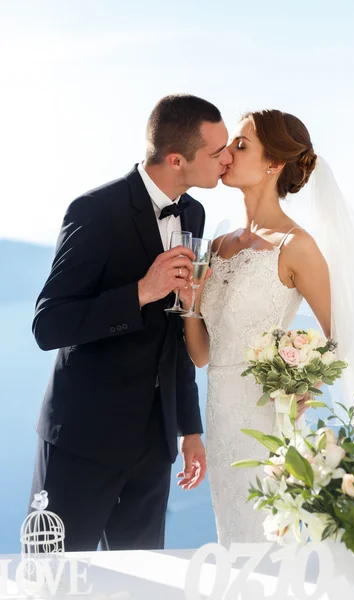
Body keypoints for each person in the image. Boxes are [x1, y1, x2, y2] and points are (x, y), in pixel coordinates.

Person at [29, 93, 232, 551]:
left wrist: (189, 429)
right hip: (83, 443)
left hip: (153, 446)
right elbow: (49, 324)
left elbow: (177, 332)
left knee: (142, 585)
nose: (225, 159)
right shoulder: (95, 211)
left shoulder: (194, 213)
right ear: (177, 158)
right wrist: (143, 291)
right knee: (54, 579)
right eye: (216, 152)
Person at [181, 109, 333, 546]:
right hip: (222, 417)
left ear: (274, 165)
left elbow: (339, 333)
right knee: (232, 537)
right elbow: (202, 355)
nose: (226, 153)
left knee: (267, 542)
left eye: (241, 146)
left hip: (268, 418)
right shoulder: (215, 245)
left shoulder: (295, 246)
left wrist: (307, 383)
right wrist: (191, 304)